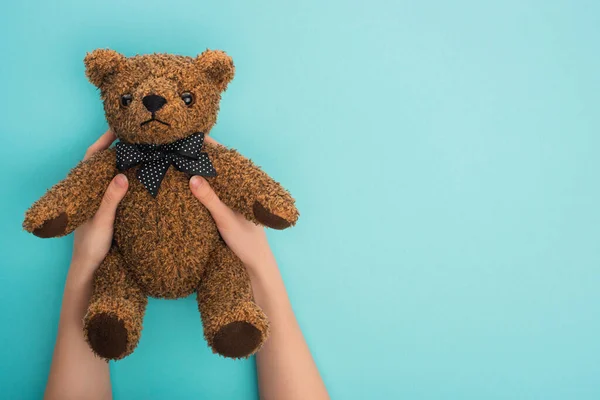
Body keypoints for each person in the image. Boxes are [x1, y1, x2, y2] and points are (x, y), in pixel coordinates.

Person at [44, 130, 329, 400]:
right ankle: (111, 325)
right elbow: (76, 190)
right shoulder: (119, 160)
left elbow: (245, 181)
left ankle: (232, 321)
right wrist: (262, 265)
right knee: (114, 286)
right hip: (128, 265)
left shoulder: (201, 156)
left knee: (223, 271)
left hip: (209, 261)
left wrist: (83, 265)